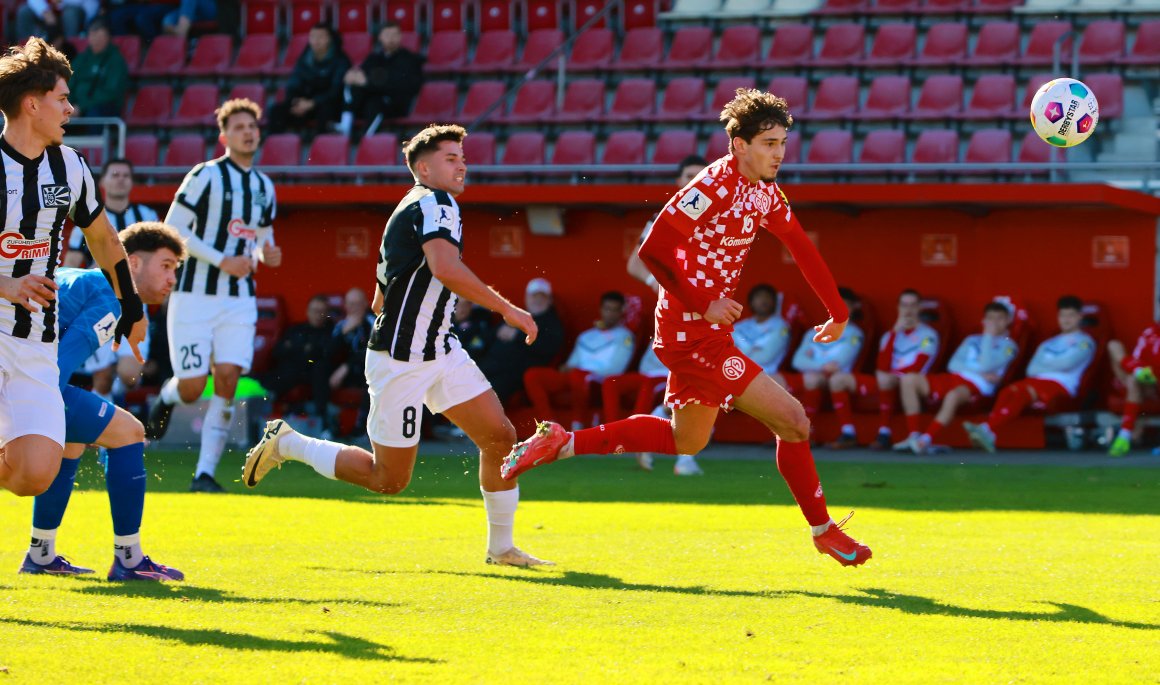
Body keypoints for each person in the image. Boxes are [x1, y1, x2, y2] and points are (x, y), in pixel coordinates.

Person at [502, 88, 872, 567]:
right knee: (794, 420)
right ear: (739, 145)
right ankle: (824, 531)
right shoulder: (710, 187)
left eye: (783, 142)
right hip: (689, 333)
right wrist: (705, 302)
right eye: (768, 143)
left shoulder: (764, 191)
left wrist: (838, 311)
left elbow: (801, 246)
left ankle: (560, 443)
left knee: (686, 441)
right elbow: (652, 250)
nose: (779, 153)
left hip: (707, 333)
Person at [243, 124, 551, 567]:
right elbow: (444, 267)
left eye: (463, 156)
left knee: (500, 437)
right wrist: (508, 309)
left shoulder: (411, 206)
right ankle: (288, 442)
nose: (462, 163)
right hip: (401, 359)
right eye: (451, 158)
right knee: (388, 479)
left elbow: (378, 297)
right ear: (423, 168)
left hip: (440, 350)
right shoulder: (437, 202)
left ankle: (501, 548)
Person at [0, 37, 147, 498]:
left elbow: (102, 238)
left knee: (34, 475)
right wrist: (5, 284)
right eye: (61, 98)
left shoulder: (70, 166)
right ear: (31, 104)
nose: (70, 108)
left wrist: (132, 307)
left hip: (36, 341)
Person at [19, 222, 185, 581]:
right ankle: (129, 558)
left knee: (73, 442)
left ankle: (41, 553)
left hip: (16, 377)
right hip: (22, 384)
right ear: (134, 264)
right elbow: (56, 369)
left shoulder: (82, 278)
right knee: (129, 431)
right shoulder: (111, 297)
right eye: (167, 265)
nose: (172, 278)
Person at [145, 98, 282, 493]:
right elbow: (172, 228)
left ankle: (204, 473)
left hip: (239, 298)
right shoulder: (204, 177)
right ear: (224, 136)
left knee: (228, 377)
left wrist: (266, 254)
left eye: (252, 126)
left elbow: (261, 241)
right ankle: (169, 394)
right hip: (193, 294)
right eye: (238, 127)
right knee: (192, 386)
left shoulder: (264, 186)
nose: (247, 132)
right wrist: (222, 259)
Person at [964, 296, 1095, 453]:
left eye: (1071, 315)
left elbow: (1067, 365)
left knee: (1023, 393)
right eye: (1062, 315)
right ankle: (990, 432)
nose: (1066, 320)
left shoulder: (1085, 342)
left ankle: (987, 428)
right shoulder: (1048, 343)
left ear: (1080, 317)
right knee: (1009, 390)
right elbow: (1031, 369)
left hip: (1063, 385)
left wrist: (1045, 365)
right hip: (1037, 381)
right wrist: (1053, 365)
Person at [894, 301, 1018, 455]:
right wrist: (980, 371)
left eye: (999, 318)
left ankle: (925, 440)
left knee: (953, 395)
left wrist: (988, 336)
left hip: (979, 387)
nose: (994, 323)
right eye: (990, 318)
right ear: (983, 320)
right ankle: (913, 435)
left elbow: (987, 364)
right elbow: (953, 364)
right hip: (956, 377)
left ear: (1008, 320)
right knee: (909, 379)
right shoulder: (972, 339)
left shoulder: (1009, 345)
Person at [827, 289, 939, 450]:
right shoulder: (890, 335)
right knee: (838, 380)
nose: (908, 310)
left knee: (887, 378)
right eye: (904, 305)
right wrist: (895, 332)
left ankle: (884, 432)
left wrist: (889, 375)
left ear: (920, 308)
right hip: (886, 381)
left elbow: (918, 367)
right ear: (898, 307)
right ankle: (848, 433)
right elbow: (882, 366)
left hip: (911, 385)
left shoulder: (928, 335)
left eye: (913, 305)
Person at [523, 291, 635, 431]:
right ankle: (548, 426)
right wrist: (567, 368)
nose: (610, 314)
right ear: (600, 309)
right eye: (607, 308)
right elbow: (571, 363)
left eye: (615, 309)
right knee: (533, 375)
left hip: (598, 382)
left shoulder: (625, 336)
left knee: (580, 375)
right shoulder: (586, 336)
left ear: (621, 312)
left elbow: (617, 369)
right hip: (575, 378)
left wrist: (583, 371)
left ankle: (577, 426)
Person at [477, 277, 565, 404]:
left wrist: (517, 336)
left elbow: (549, 348)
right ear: (526, 298)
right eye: (534, 296)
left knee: (492, 390)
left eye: (542, 296)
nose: (537, 300)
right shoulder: (517, 316)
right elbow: (487, 337)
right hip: (491, 365)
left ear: (550, 300)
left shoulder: (552, 323)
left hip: (515, 373)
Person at [627, 155, 706, 291]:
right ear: (679, 181)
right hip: (675, 303)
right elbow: (634, 264)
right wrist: (653, 282)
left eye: (701, 177)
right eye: (690, 177)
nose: (695, 182)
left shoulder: (725, 217)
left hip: (714, 298)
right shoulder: (661, 218)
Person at [789, 286, 863, 425]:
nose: (839, 310)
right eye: (835, 305)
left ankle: (809, 429)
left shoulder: (854, 333)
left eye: (844, 305)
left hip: (839, 378)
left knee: (822, 378)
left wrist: (812, 361)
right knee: (774, 380)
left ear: (852, 307)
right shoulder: (814, 332)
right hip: (810, 376)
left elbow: (839, 363)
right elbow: (797, 361)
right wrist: (822, 365)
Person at [66, 158, 158, 268]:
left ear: (132, 182)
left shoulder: (148, 216)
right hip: (101, 283)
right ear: (102, 181)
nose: (121, 179)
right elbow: (70, 266)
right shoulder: (87, 218)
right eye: (115, 175)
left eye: (126, 176)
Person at [336, 22, 424, 138]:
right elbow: (362, 76)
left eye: (395, 35)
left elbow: (399, 85)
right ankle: (345, 125)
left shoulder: (408, 59)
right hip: (371, 98)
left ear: (400, 37)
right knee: (352, 87)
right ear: (380, 37)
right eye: (387, 35)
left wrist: (369, 83)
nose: (391, 39)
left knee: (375, 104)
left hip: (394, 103)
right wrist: (352, 76)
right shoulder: (374, 58)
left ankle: (366, 139)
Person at [262, 295, 332, 428]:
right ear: (307, 311)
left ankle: (322, 422)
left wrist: (296, 348)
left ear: (327, 313)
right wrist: (303, 350)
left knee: (318, 368)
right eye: (314, 310)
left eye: (321, 311)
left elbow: (324, 354)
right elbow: (278, 352)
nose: (317, 315)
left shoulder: (331, 331)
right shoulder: (296, 329)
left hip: (313, 375)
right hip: (287, 373)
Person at [269, 23, 350, 134]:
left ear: (330, 39)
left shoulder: (341, 61)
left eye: (320, 37)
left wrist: (313, 103)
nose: (316, 40)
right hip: (304, 102)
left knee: (326, 111)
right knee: (276, 111)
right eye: (312, 37)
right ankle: (275, 145)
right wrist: (296, 101)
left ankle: (321, 146)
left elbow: (336, 91)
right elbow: (294, 82)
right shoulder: (304, 58)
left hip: (328, 104)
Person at [1106, 320, 1160, 457]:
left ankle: (1124, 436)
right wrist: (1138, 369)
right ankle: (1137, 371)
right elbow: (1136, 356)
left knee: (1133, 379)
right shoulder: (1150, 331)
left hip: (1154, 385)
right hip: (1137, 376)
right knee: (1113, 345)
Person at [66, 19, 129, 120]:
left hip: (101, 107)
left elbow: (111, 93)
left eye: (100, 37)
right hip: (75, 106)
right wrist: (68, 105)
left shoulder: (116, 61)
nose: (96, 40)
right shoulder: (81, 59)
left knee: (95, 113)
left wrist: (82, 106)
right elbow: (69, 84)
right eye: (93, 35)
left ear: (108, 38)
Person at [732, 283, 791, 385]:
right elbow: (727, 352)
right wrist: (753, 349)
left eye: (767, 296)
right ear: (751, 302)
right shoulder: (740, 327)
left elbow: (764, 357)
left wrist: (741, 350)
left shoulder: (781, 326)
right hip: (735, 373)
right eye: (759, 296)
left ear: (775, 302)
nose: (763, 300)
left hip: (766, 377)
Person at [16, 0, 99, 40]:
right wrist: (44, 11)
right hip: (49, 13)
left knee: (70, 14)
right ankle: (27, 48)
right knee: (24, 11)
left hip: (80, 12)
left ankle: (69, 50)